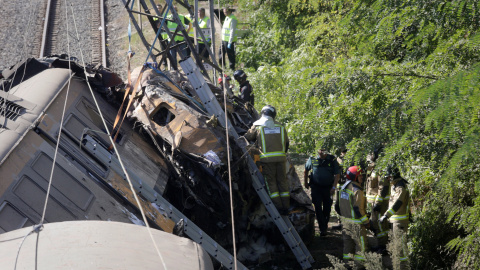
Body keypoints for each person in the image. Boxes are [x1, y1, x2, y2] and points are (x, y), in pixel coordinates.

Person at [244, 105, 290, 214]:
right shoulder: (281, 126)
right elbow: (287, 143)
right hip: (281, 159)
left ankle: (278, 208)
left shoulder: (258, 126)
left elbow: (248, 137)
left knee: (271, 183)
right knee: (282, 182)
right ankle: (286, 206)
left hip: (267, 160)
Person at [336, 166, 370, 267]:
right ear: (354, 177)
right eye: (360, 176)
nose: (362, 178)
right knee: (361, 246)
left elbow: (337, 206)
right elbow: (358, 209)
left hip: (345, 223)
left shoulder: (342, 188)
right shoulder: (357, 190)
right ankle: (359, 267)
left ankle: (347, 266)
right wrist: (366, 222)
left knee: (348, 247)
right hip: (357, 224)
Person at [304, 147, 340, 236]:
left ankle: (325, 224)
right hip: (316, 188)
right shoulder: (313, 158)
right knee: (318, 207)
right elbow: (306, 171)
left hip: (328, 188)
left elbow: (337, 174)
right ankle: (322, 228)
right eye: (319, 150)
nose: (320, 152)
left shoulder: (332, 159)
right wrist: (305, 183)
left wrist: (334, 187)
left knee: (327, 208)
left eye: (323, 150)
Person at [379, 166, 410, 269]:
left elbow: (398, 204)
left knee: (401, 248)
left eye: (389, 177)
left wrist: (386, 215)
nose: (388, 179)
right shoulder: (396, 185)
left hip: (400, 222)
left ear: (393, 176)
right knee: (397, 246)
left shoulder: (400, 187)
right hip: (396, 221)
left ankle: (404, 267)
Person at [366, 150, 390, 253]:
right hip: (374, 202)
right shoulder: (374, 168)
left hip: (379, 203)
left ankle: (383, 247)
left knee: (380, 224)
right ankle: (380, 245)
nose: (370, 155)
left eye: (371, 154)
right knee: (376, 223)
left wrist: (378, 203)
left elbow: (383, 187)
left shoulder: (381, 169)